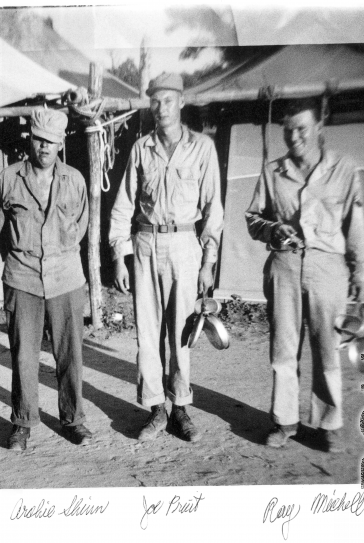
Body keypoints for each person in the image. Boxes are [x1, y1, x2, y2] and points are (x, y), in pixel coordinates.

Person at [245, 97, 364, 453]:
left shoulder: (344, 168)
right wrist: (273, 231)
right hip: (284, 267)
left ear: (319, 128)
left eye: (301, 128)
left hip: (328, 269)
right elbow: (253, 218)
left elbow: (355, 223)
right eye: (287, 130)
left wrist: (361, 271)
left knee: (327, 349)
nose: (294, 136)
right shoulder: (273, 171)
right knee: (283, 349)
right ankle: (284, 422)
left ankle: (327, 422)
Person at [109, 72, 224, 442]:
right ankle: (156, 409)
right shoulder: (141, 148)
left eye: (168, 100)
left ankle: (181, 408)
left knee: (181, 333)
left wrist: (208, 262)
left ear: (181, 102)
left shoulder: (202, 147)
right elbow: (124, 204)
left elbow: (213, 211)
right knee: (147, 332)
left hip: (185, 246)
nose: (161, 108)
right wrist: (118, 255)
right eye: (155, 101)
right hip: (145, 244)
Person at [0, 109, 92, 451]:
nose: (44, 147)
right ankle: (22, 422)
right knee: (23, 355)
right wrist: (21, 256)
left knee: (70, 353)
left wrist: (58, 253)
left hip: (66, 278)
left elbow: (81, 222)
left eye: (51, 141)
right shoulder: (8, 178)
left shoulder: (75, 180)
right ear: (29, 139)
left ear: (61, 143)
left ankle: (73, 419)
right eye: (38, 139)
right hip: (23, 276)